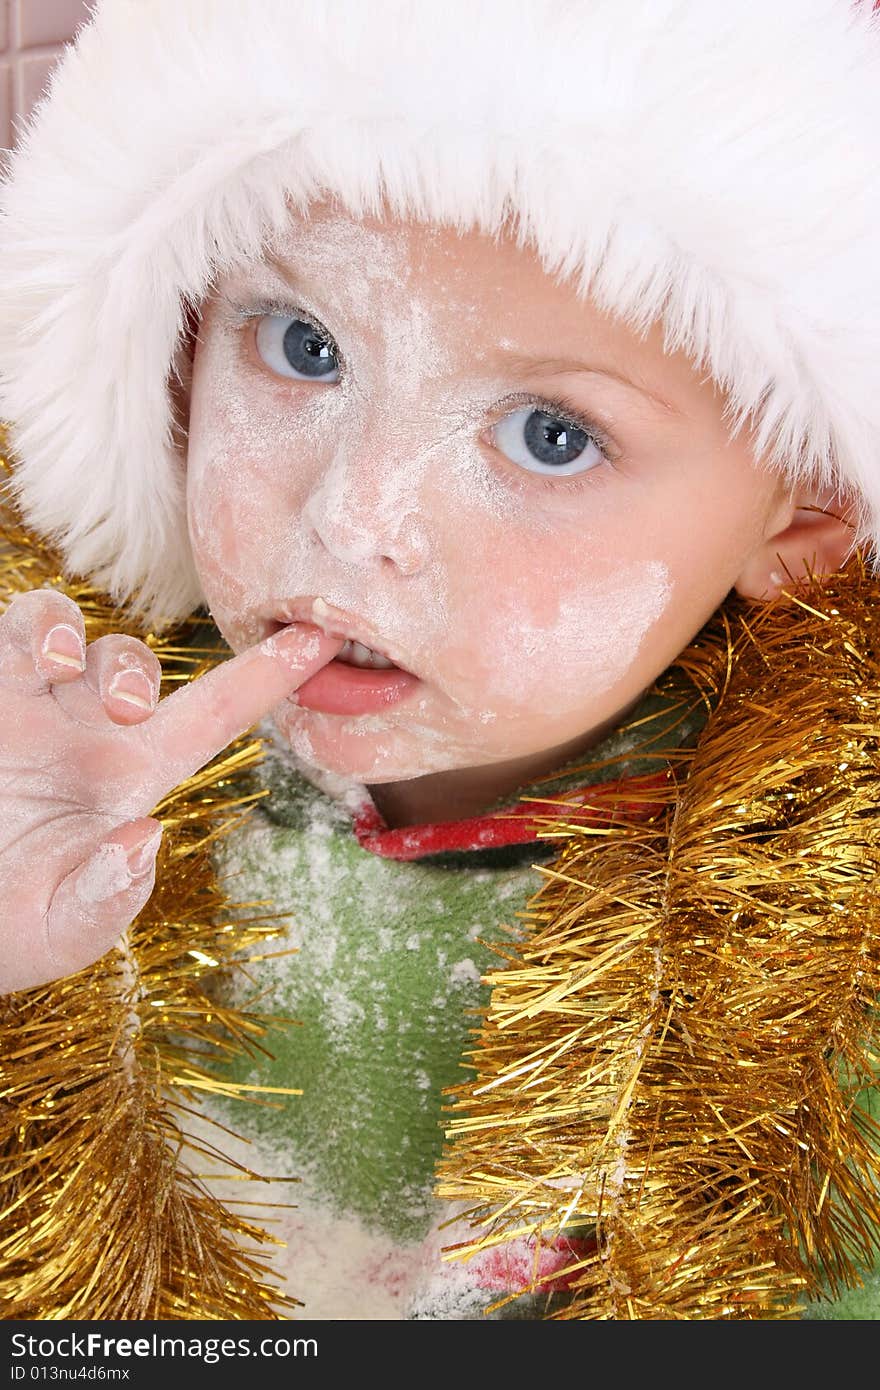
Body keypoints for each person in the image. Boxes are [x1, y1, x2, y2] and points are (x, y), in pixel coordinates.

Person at [0, 0, 878, 1320]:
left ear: (806, 508)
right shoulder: (44, 720)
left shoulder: (831, 955)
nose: (353, 521)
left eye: (550, 435)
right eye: (306, 345)